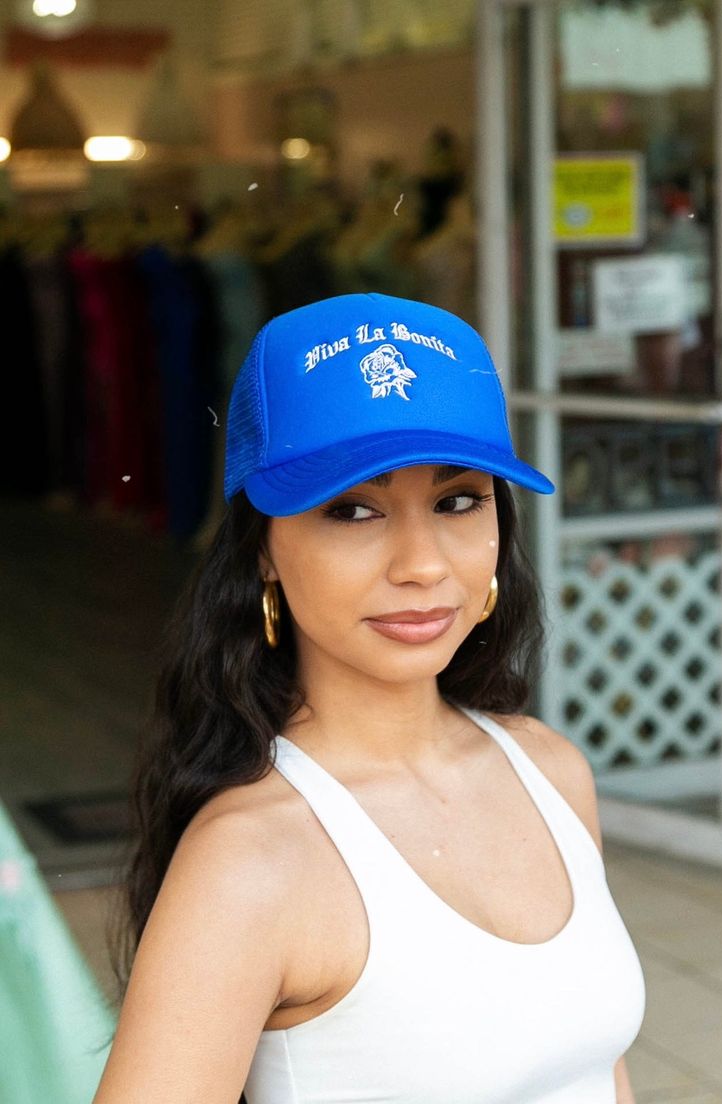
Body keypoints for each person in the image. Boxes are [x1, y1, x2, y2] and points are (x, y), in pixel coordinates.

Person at [95, 293, 645, 1104]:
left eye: (458, 500)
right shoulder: (251, 861)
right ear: (263, 553)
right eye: (353, 510)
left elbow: (599, 1076)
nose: (421, 563)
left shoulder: (551, 770)